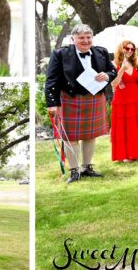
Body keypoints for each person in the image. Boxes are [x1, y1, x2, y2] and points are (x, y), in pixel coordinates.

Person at [44, 24, 118, 183]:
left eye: (88, 37)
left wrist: (106, 75)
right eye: (81, 38)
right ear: (73, 39)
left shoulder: (101, 52)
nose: (85, 41)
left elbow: (113, 71)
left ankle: (87, 167)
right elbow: (51, 80)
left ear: (92, 38)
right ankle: (74, 170)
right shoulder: (61, 54)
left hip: (94, 99)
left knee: (90, 135)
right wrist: (52, 103)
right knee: (70, 137)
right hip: (70, 99)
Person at [110, 40, 138, 163]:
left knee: (135, 126)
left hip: (135, 98)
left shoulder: (136, 64)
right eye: (127, 48)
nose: (129, 51)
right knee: (124, 127)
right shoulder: (113, 64)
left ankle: (135, 153)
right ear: (121, 49)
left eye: (132, 49)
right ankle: (124, 155)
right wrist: (121, 70)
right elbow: (113, 84)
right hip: (121, 99)